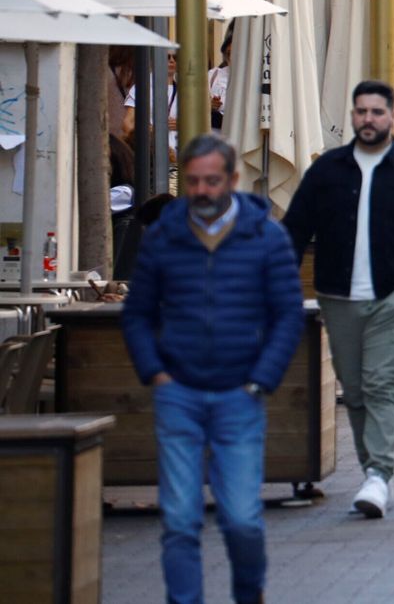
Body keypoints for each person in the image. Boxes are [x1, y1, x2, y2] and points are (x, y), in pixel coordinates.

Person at [122, 134, 304, 604]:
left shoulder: (266, 236)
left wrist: (262, 378)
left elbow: (288, 313)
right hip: (178, 393)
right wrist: (155, 373)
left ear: (233, 179)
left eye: (212, 181)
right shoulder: (164, 235)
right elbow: (138, 312)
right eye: (194, 182)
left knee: (241, 519)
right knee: (180, 520)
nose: (202, 191)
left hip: (239, 395)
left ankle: (249, 593)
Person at [283, 81, 394, 518]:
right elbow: (295, 228)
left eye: (377, 112)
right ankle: (372, 470)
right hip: (338, 297)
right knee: (355, 389)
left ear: (393, 117)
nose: (368, 120)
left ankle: (379, 475)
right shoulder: (327, 172)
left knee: (382, 384)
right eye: (360, 112)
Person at [126, 50, 179, 154]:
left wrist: (182, 125)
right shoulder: (142, 87)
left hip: (177, 154)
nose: (172, 61)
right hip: (151, 152)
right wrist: (149, 131)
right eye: (167, 57)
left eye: (175, 58)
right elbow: (127, 124)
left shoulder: (185, 89)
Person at [207, 27, 232, 128]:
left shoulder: (251, 76)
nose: (232, 56)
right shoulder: (213, 75)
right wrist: (210, 105)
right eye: (229, 53)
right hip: (218, 129)